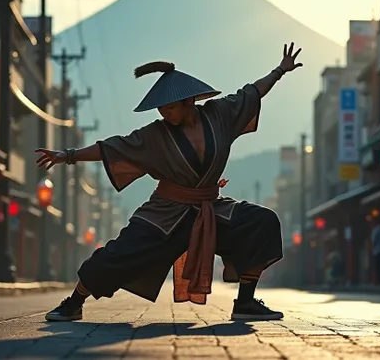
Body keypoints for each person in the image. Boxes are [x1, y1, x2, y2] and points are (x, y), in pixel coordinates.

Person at [36, 43, 303, 322]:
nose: (165, 114)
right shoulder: (155, 135)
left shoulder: (219, 115)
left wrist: (280, 70)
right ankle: (74, 302)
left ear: (189, 102)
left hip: (210, 207)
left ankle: (245, 302)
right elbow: (114, 147)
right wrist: (67, 155)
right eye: (161, 109)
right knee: (119, 253)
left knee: (262, 221)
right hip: (166, 212)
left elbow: (251, 92)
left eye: (171, 108)